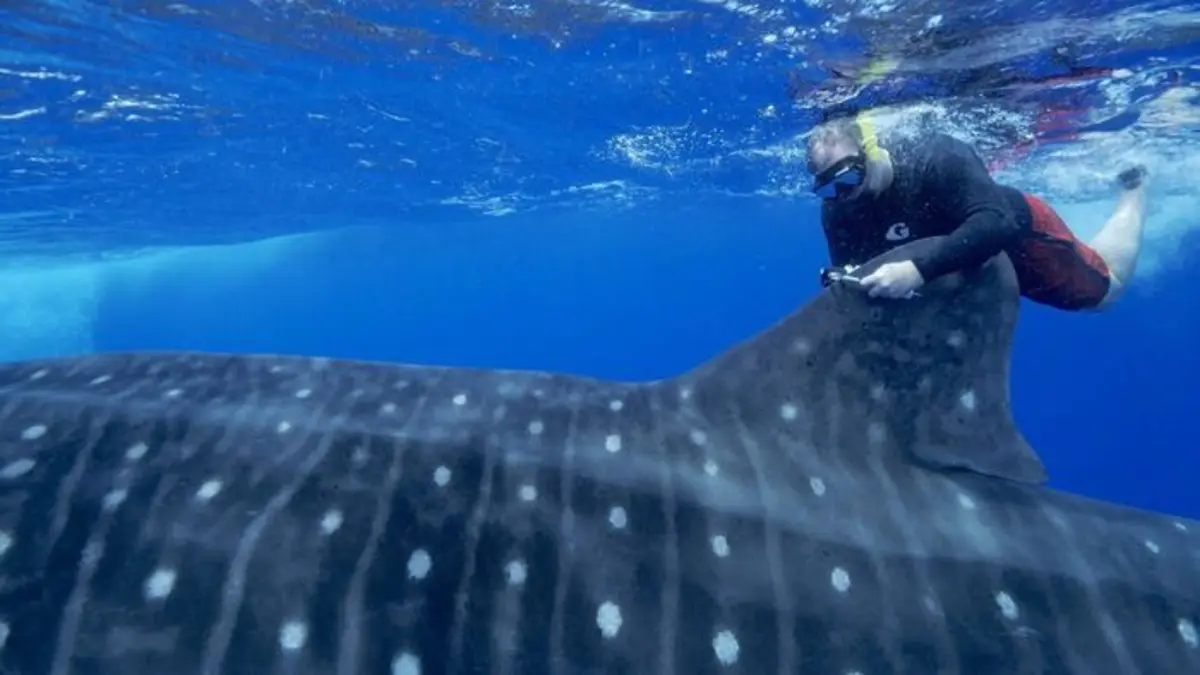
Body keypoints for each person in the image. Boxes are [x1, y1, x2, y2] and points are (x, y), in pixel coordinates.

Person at [806, 114, 1147, 311]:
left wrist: (918, 270)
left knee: (1105, 294)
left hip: (1018, 239)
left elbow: (997, 221)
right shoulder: (838, 209)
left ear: (871, 150)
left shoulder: (934, 155)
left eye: (849, 177)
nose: (845, 195)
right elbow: (855, 269)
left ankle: (1134, 187)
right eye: (829, 189)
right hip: (951, 268)